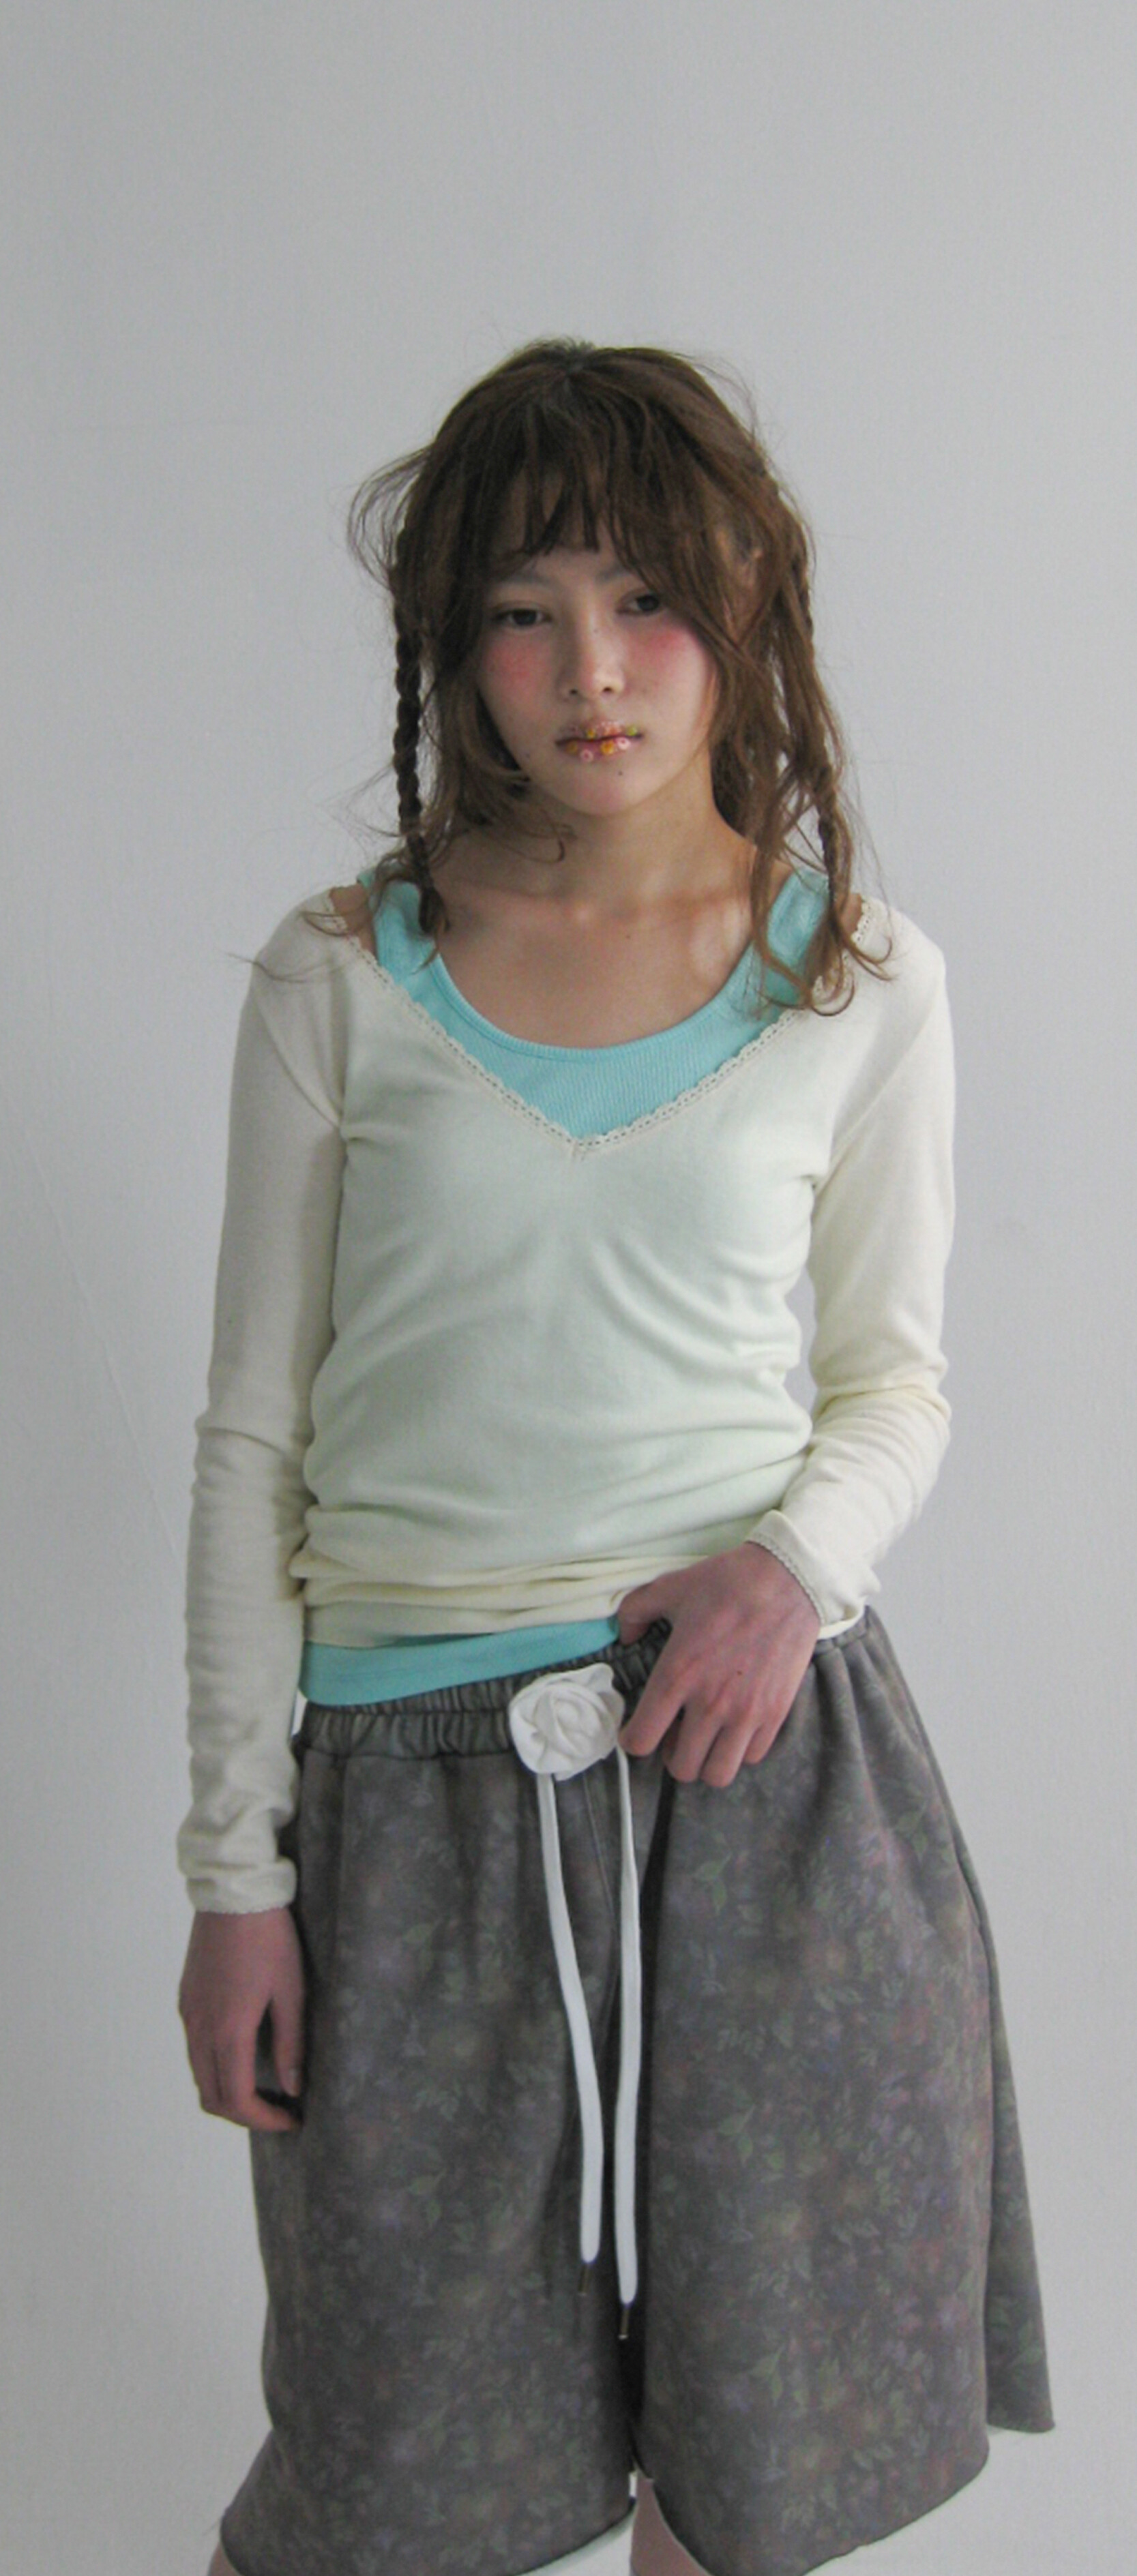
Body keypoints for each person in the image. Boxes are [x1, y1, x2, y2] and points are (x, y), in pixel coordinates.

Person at [177, 339, 1053, 2576]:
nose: (590, 670)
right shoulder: (339, 976)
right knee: (385, 2489)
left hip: (767, 1776)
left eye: (647, 598)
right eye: (524, 610)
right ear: (449, 643)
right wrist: (233, 1873)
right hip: (413, 1810)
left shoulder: (860, 981)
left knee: (747, 2496)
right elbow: (254, 1432)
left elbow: (893, 1380)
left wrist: (792, 1570)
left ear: (744, 600)